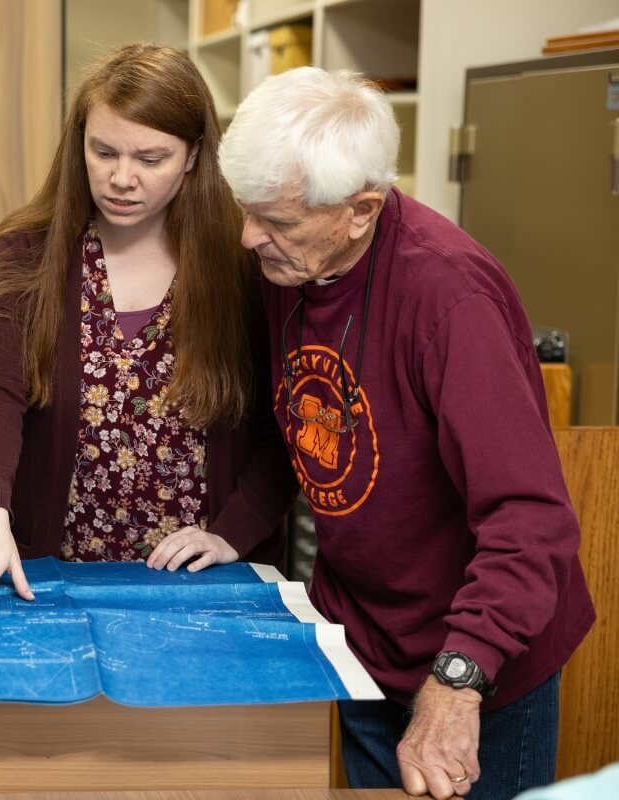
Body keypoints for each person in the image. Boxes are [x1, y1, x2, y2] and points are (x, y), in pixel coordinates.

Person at [217, 67, 595, 800]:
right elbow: (305, 417)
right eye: (248, 211)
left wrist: (457, 682)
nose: (248, 236)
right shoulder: (288, 265)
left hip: (479, 667)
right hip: (364, 643)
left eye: (277, 222)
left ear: (360, 210)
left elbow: (530, 519)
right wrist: (235, 528)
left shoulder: (451, 299)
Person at [0, 43, 297, 611]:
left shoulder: (245, 263)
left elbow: (285, 423)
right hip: (55, 578)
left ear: (193, 155)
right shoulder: (22, 255)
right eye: (104, 151)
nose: (121, 179)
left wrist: (234, 532)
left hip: (198, 585)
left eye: (151, 159)